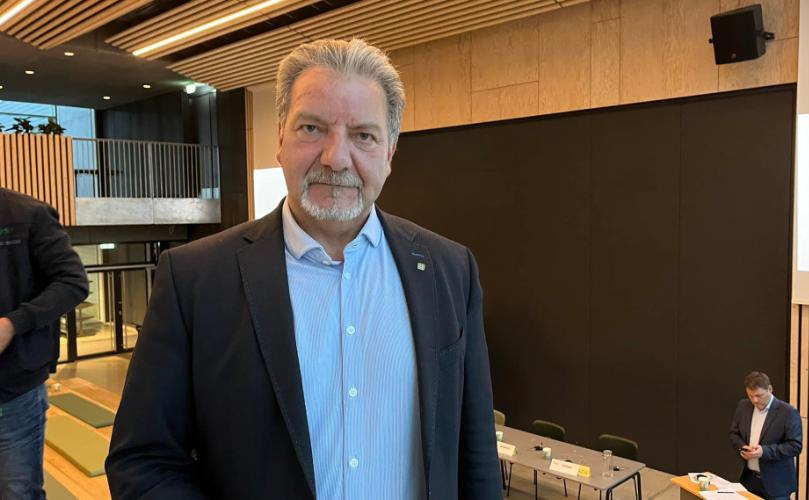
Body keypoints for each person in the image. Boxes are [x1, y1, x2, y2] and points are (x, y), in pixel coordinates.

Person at [106, 38, 502, 500]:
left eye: (363, 135)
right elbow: (143, 462)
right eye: (312, 128)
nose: (336, 158)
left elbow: (476, 457)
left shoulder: (449, 270)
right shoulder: (193, 280)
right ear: (280, 139)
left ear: (390, 151)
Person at [0, 188, 88, 499]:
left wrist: (12, 324)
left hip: (14, 389)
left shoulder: (28, 214)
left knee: (18, 492)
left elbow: (73, 282)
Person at [728, 371, 802, 500]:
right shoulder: (743, 406)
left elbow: (795, 446)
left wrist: (764, 451)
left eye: (759, 395)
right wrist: (743, 447)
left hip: (776, 483)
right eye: (750, 396)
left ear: (770, 389)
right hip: (749, 479)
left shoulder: (788, 412)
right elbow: (734, 433)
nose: (754, 400)